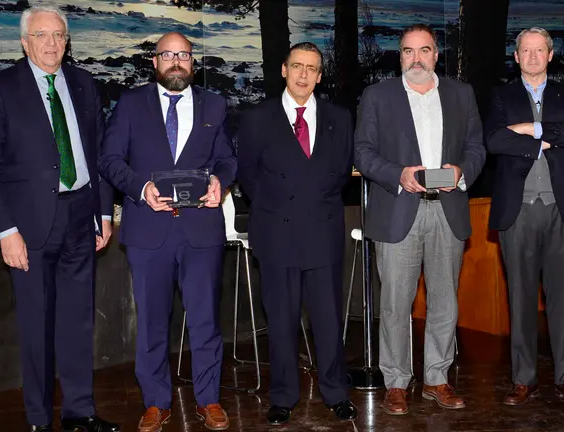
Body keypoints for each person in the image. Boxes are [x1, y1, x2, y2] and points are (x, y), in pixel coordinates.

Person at [0, 6, 117, 432]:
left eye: (59, 35)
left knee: (78, 321)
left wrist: (103, 213)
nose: (52, 43)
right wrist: (5, 232)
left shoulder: (84, 84)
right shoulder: (1, 89)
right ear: (25, 41)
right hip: (29, 226)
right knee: (36, 328)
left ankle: (80, 412)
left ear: (67, 41)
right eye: (42, 35)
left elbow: (99, 154)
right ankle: (39, 420)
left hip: (81, 218)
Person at [98, 32, 236, 431]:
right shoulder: (129, 105)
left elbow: (227, 159)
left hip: (201, 231)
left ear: (193, 62)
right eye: (168, 55)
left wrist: (220, 183)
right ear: (154, 61)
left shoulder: (215, 104)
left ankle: (209, 400)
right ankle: (155, 402)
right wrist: (140, 189)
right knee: (153, 323)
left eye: (185, 55)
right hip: (148, 231)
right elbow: (109, 159)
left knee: (206, 321)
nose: (177, 61)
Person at [354, 24, 486, 413]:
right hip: (398, 210)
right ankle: (396, 381)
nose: (417, 59)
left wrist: (462, 172)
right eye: (408, 52)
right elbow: (362, 152)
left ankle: (437, 379)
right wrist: (399, 174)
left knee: (445, 300)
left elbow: (477, 147)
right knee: (396, 302)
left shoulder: (461, 94)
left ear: (436, 55)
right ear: (400, 57)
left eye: (424, 50)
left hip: (448, 210)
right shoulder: (378, 96)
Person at [236, 42, 358, 426]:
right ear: (283, 70)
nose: (304, 74)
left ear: (320, 76)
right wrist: (277, 207)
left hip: (322, 231)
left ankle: (336, 392)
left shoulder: (340, 118)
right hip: (276, 232)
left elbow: (340, 174)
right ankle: (283, 397)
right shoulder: (257, 118)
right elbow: (248, 175)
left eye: (312, 68)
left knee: (327, 319)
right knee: (283, 321)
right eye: (297, 66)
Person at [485, 27, 564, 407]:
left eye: (539, 50)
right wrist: (554, 134)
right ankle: (523, 379)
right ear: (516, 57)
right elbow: (495, 141)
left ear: (550, 55)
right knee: (521, 299)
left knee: (563, 299)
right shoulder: (501, 96)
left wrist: (531, 130)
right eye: (525, 50)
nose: (532, 56)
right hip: (518, 211)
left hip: (562, 209)